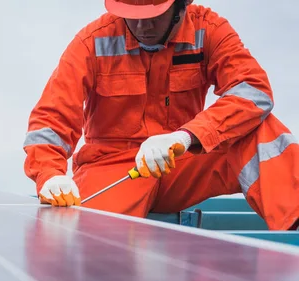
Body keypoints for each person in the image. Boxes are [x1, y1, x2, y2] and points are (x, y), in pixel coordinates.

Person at [22, 0, 299, 230]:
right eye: (133, 16)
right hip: (113, 172)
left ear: (181, 5)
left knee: (260, 128)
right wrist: (49, 174)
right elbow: (51, 118)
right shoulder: (92, 41)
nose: (142, 25)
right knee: (96, 245)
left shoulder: (210, 30)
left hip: (181, 162)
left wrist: (185, 136)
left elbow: (254, 91)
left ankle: (294, 224)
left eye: (153, 15)